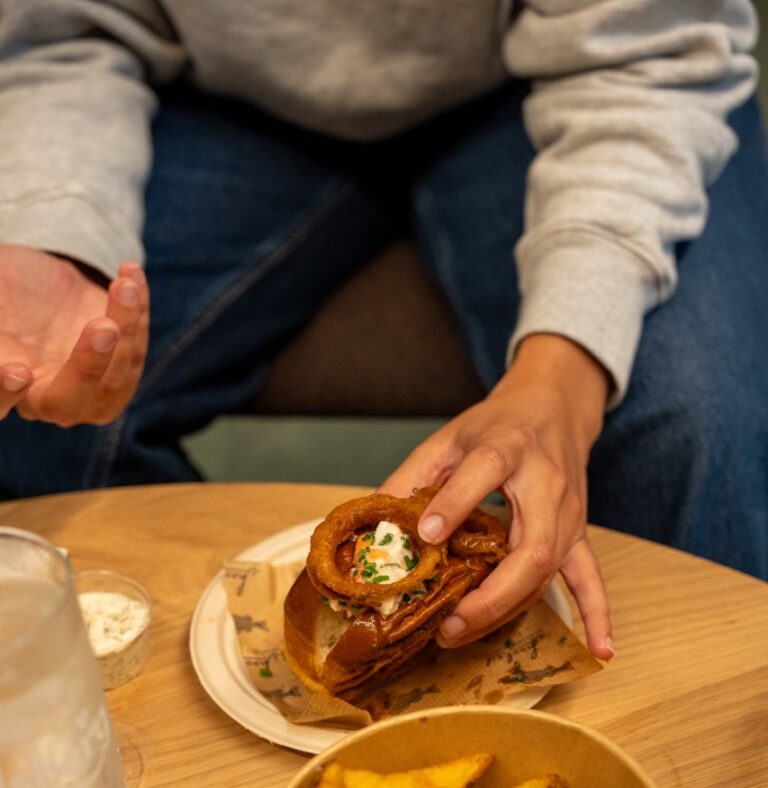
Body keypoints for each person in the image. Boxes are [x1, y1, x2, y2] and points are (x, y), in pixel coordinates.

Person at [0, 1, 765, 664]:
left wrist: (565, 376)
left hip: (566, 80)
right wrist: (51, 232)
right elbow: (57, 29)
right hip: (219, 96)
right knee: (36, 407)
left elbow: (651, 45)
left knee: (686, 418)